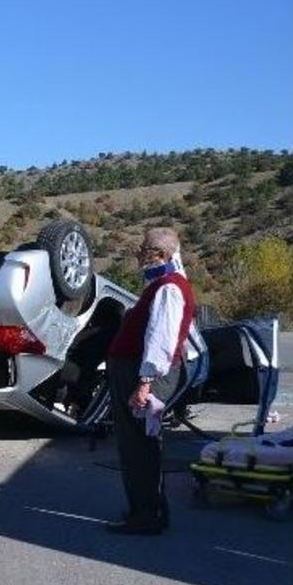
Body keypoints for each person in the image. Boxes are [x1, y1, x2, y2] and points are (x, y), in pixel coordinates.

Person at [105, 227, 196, 535]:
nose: (140, 257)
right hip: (136, 371)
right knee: (139, 443)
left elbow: (161, 338)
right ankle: (148, 509)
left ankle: (146, 514)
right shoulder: (165, 285)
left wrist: (144, 382)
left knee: (138, 446)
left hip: (140, 373)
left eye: (144, 251)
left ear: (163, 255)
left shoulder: (169, 288)